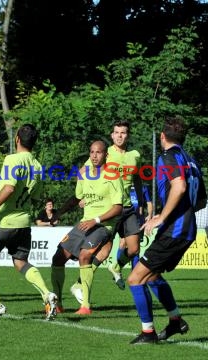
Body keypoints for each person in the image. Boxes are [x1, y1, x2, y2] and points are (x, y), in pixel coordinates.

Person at [0, 124, 58, 321]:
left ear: (17, 140)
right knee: (21, 262)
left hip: (4, 221)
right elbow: (33, 196)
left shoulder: (12, 159)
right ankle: (47, 294)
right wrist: (2, 190)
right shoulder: (37, 166)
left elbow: (11, 189)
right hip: (23, 222)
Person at [127, 116, 195, 344]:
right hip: (185, 228)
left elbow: (180, 186)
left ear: (162, 136)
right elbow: (200, 199)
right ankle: (176, 321)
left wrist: (162, 217)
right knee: (152, 275)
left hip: (175, 230)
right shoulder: (190, 160)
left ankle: (148, 333)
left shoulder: (169, 156)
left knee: (135, 278)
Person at [70, 120, 144, 304]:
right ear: (112, 135)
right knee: (102, 252)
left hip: (128, 207)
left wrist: (142, 203)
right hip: (109, 209)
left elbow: (137, 180)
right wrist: (87, 195)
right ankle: (79, 285)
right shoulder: (104, 152)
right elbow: (84, 171)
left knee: (134, 249)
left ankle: (117, 266)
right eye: (116, 132)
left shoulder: (135, 155)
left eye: (123, 132)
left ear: (128, 135)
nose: (120, 135)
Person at [51, 140, 124, 315]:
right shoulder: (84, 174)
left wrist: (96, 220)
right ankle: (58, 304)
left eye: (98, 152)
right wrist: (58, 213)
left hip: (103, 226)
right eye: (92, 152)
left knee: (85, 256)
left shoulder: (113, 176)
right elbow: (77, 198)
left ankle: (85, 306)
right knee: (58, 257)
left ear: (106, 155)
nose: (94, 156)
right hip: (85, 223)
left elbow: (118, 207)